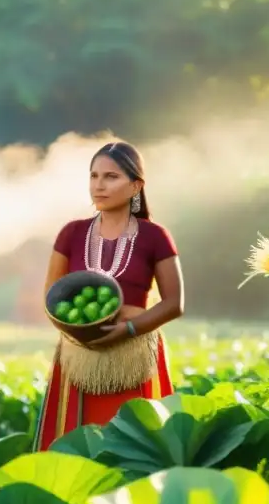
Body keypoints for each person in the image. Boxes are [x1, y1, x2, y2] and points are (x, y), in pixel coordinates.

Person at [33, 141, 184, 451]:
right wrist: (81, 331)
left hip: (135, 357)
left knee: (136, 449)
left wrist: (128, 326)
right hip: (78, 358)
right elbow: (52, 297)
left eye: (111, 177)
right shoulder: (71, 234)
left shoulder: (155, 236)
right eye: (94, 176)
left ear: (136, 186)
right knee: (76, 452)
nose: (99, 185)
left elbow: (174, 303)